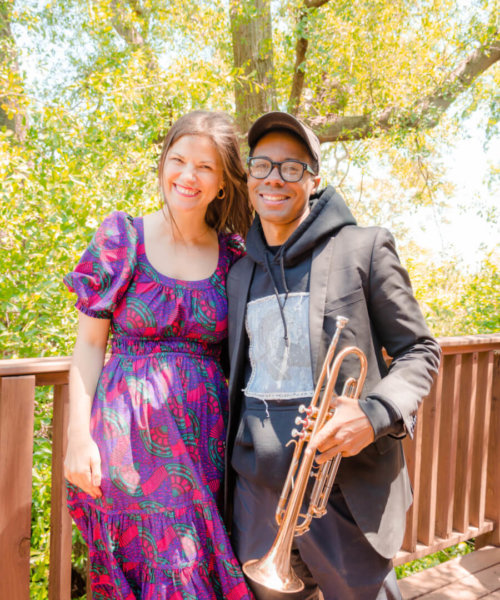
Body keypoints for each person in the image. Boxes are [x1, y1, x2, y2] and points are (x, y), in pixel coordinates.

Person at [224, 111, 441, 600]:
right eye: (262, 166)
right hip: (258, 503)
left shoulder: (363, 248)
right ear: (249, 176)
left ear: (314, 179)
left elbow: (420, 350)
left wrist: (373, 414)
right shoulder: (239, 274)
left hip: (344, 495)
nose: (274, 178)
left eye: (291, 167)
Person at [63, 110, 255, 600]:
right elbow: (88, 345)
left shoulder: (235, 255)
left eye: (205, 167)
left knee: (195, 568)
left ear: (223, 183)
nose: (188, 176)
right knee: (164, 571)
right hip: (128, 444)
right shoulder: (123, 238)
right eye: (178, 160)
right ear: (163, 164)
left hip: (205, 448)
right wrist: (77, 439)